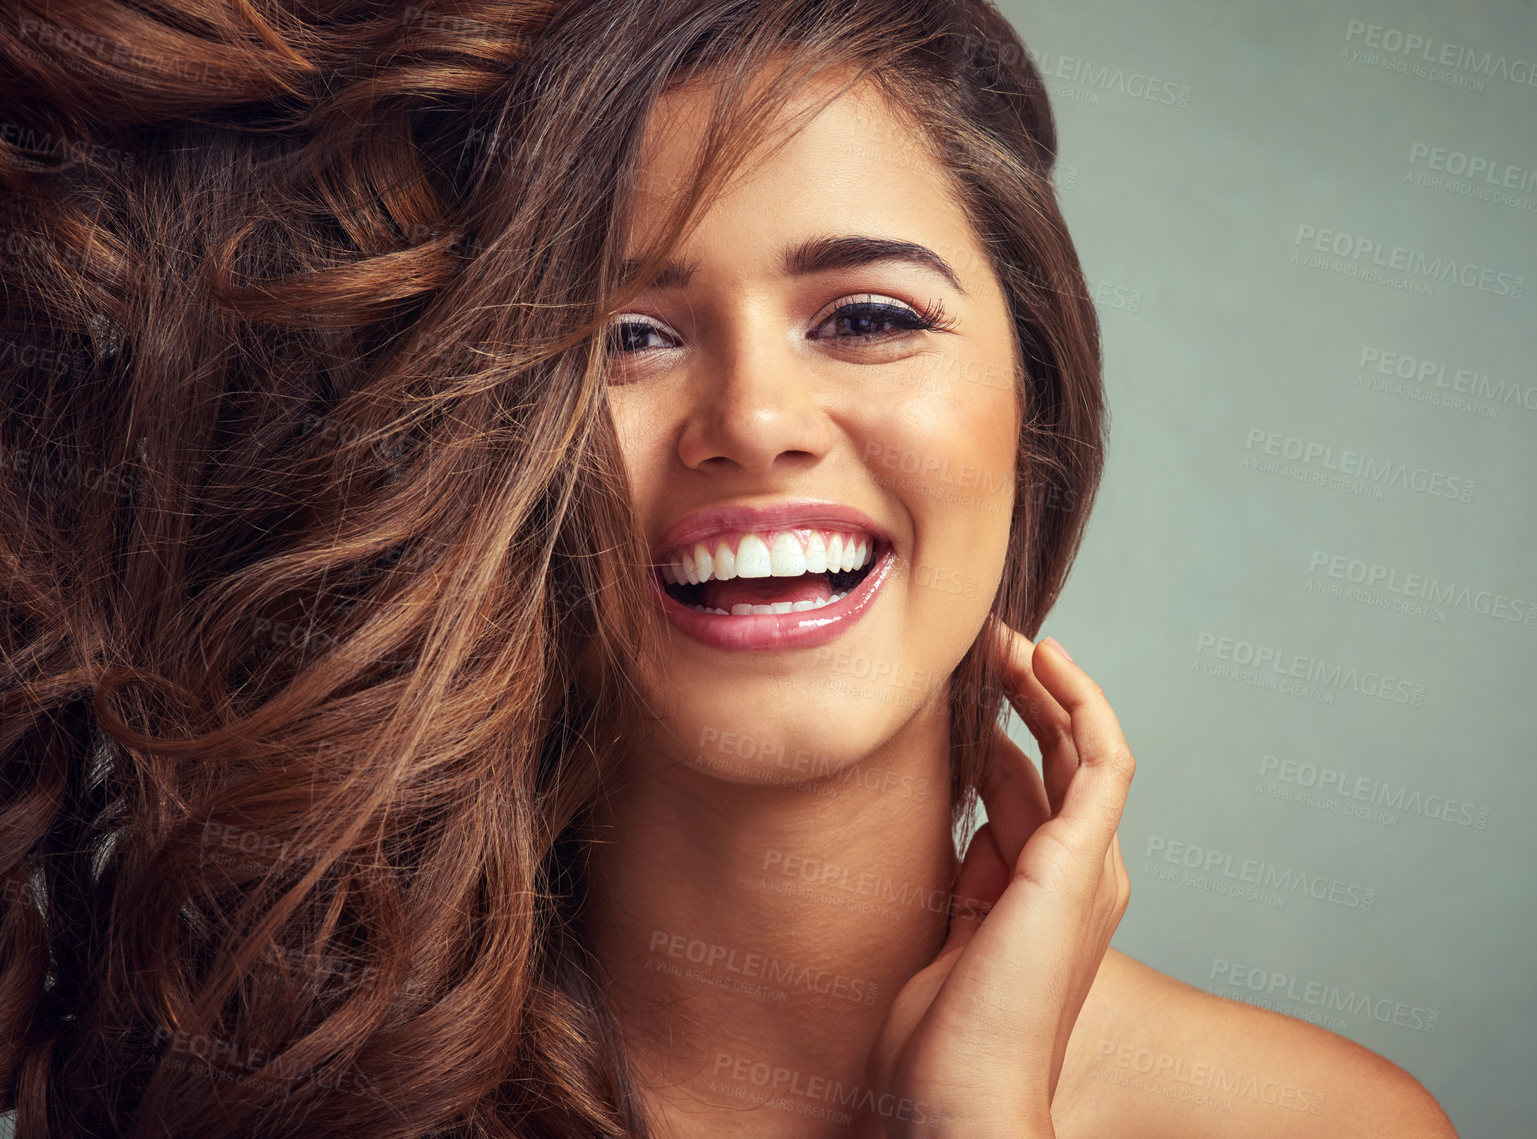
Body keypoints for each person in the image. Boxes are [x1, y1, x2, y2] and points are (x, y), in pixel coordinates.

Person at [0, 1, 1458, 1136]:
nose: (754, 424)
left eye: (870, 317)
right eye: (624, 336)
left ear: (1037, 407)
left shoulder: (1326, 1127)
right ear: (476, 442)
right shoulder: (260, 1095)